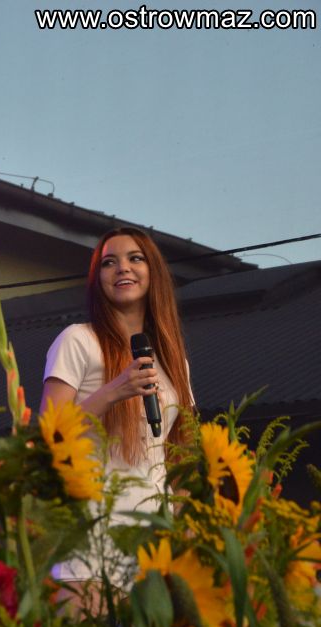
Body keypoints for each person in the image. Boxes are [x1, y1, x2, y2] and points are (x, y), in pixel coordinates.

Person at [40, 227, 194, 587]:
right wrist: (113, 391)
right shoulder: (77, 340)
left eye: (135, 258)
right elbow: (49, 435)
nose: (122, 268)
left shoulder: (173, 360)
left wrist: (187, 530)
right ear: (98, 280)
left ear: (153, 272)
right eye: (109, 262)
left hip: (155, 543)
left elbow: (179, 454)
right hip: (91, 539)